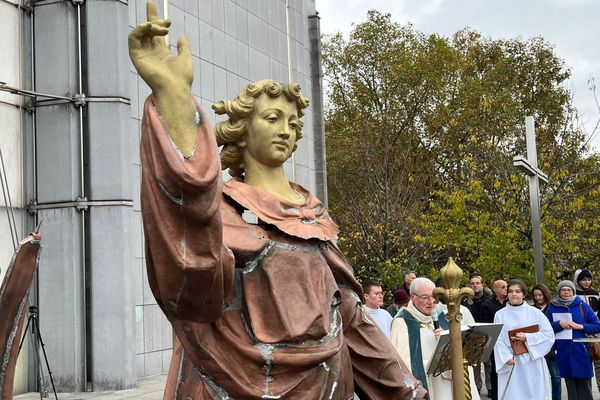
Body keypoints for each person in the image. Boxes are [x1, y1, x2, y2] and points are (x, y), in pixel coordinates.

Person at [128, 3, 426, 399]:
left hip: (328, 385)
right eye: (271, 119)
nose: (286, 130)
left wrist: (404, 390)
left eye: (292, 122)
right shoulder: (224, 209)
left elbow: (350, 317)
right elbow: (189, 255)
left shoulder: (314, 215)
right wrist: (173, 97)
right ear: (242, 130)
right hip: (239, 382)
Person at [391, 277, 480, 400]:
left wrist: (447, 339)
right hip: (432, 384)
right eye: (425, 297)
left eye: (433, 296)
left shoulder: (443, 315)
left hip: (451, 383)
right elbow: (402, 364)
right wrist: (432, 363)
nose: (431, 301)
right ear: (413, 298)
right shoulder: (402, 322)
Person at [493, 280, 554, 400]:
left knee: (534, 393)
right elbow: (498, 339)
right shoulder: (500, 314)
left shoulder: (535, 313)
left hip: (532, 360)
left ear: (524, 294)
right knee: (513, 394)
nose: (514, 294)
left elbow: (549, 335)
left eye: (517, 291)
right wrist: (505, 357)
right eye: (510, 291)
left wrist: (528, 337)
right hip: (512, 361)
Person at [546, 280, 600, 400]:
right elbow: (545, 328)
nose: (566, 292)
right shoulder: (552, 306)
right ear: (559, 292)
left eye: (569, 290)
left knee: (585, 388)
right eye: (563, 290)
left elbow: (597, 325)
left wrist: (580, 326)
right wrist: (558, 324)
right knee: (571, 389)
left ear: (573, 291)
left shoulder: (582, 305)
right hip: (563, 351)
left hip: (581, 351)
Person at [462, 273, 493, 395]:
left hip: (486, 332)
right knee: (474, 362)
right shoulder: (465, 300)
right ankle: (477, 386)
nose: (475, 286)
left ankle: (490, 387)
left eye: (477, 283)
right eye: (472, 283)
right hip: (471, 334)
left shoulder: (489, 298)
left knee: (488, 362)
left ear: (482, 285)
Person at [532, 283, 561, 400]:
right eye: (535, 295)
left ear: (545, 294)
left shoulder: (552, 307)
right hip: (535, 344)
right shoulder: (532, 309)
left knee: (555, 376)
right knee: (538, 375)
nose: (538, 298)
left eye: (540, 295)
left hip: (551, 345)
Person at [480, 279, 508, 400]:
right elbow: (485, 326)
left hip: (510, 342)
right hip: (495, 343)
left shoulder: (510, 304)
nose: (506, 289)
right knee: (495, 371)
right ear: (495, 289)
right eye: (503, 287)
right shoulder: (487, 305)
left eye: (507, 286)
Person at [573, 269, 600, 393]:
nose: (586, 282)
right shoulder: (573, 294)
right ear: (578, 280)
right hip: (579, 332)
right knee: (584, 364)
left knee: (598, 363)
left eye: (589, 279)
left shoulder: (595, 293)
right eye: (583, 279)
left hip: (595, 331)